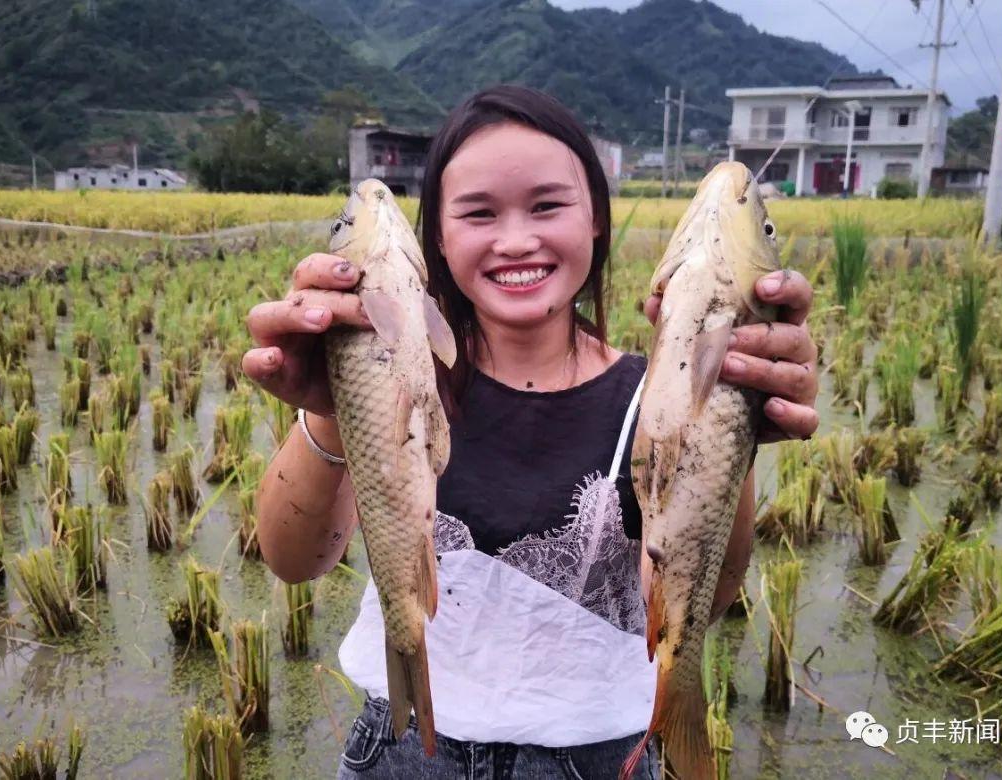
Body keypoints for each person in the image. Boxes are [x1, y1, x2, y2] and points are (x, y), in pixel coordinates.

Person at [244, 85, 819, 779]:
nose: (516, 240)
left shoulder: (648, 390)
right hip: (400, 750)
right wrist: (330, 404)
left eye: (547, 206)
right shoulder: (400, 371)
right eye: (478, 213)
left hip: (597, 754)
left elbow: (712, 593)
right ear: (439, 241)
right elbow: (293, 560)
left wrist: (736, 430)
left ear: (597, 222)